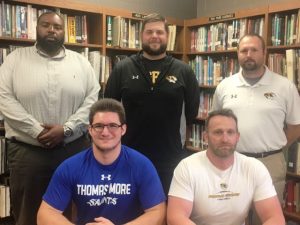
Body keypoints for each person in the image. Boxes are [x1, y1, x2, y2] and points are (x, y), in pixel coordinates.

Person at [0, 12, 100, 225]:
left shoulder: (81, 63)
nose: (52, 30)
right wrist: (38, 131)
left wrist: (66, 129)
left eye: (57, 27)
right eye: (46, 25)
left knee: (77, 209)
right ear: (37, 28)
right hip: (28, 153)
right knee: (28, 213)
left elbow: (92, 99)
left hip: (73, 150)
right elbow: (4, 99)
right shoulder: (14, 60)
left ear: (64, 32)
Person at [104, 13, 200, 193]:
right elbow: (109, 109)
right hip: (128, 155)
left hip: (170, 157)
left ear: (167, 37)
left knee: (166, 210)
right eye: (149, 32)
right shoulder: (123, 68)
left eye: (159, 32)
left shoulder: (184, 70)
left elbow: (191, 112)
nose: (154, 36)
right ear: (141, 36)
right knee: (130, 209)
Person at [211, 34, 300, 223]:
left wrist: (274, 147)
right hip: (232, 162)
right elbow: (215, 124)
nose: (248, 54)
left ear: (264, 53)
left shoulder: (285, 86)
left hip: (270, 162)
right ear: (238, 54)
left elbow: (295, 126)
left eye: (254, 50)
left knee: (266, 218)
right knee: (230, 215)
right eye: (243, 50)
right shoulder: (225, 86)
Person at [37, 98, 166, 225]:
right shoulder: (70, 167)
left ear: (123, 129)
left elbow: (157, 212)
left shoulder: (141, 165)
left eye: (113, 126)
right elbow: (45, 215)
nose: (105, 132)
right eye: (99, 126)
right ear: (90, 130)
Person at [167, 109, 285, 225]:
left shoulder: (254, 168)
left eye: (230, 132)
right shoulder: (187, 167)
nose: (225, 139)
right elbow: (176, 218)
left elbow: (275, 218)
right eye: (218, 132)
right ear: (205, 137)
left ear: (237, 137)